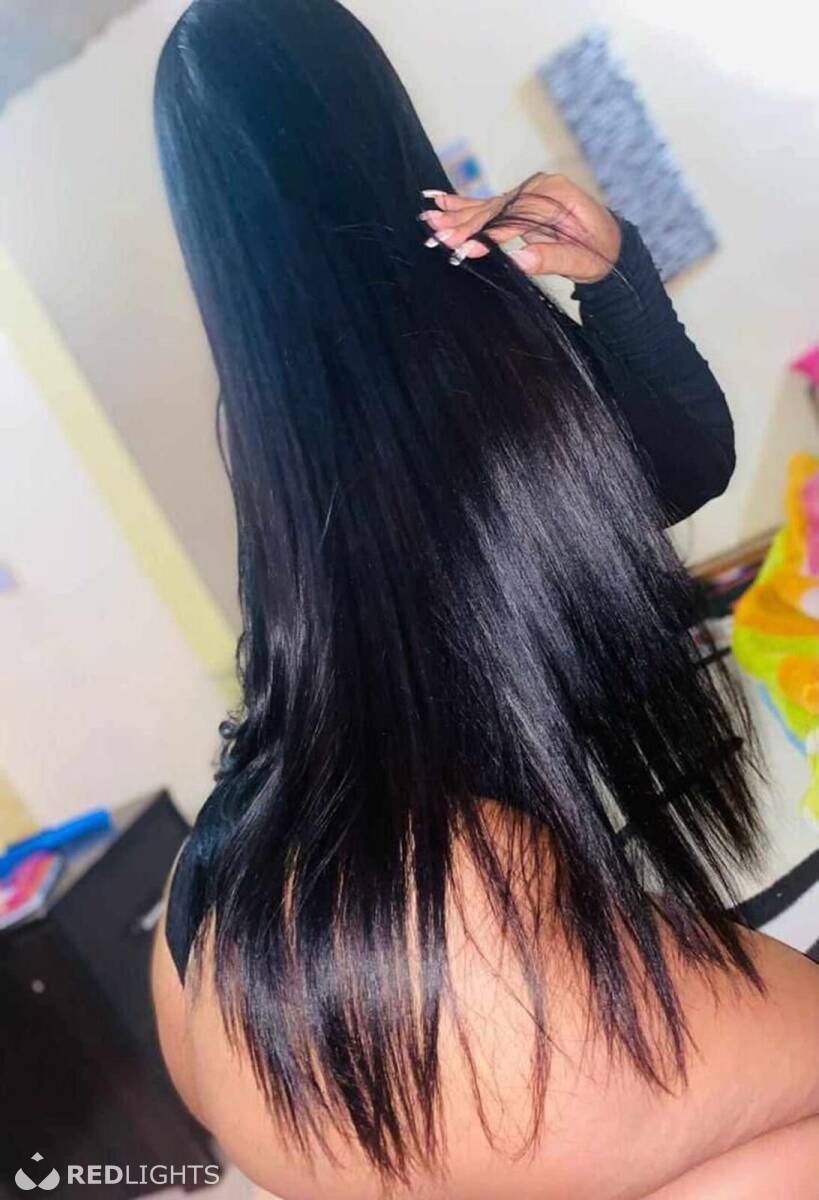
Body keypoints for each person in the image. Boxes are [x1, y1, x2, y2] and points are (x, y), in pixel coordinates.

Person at [150, 1, 819, 1196]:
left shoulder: (268, 439)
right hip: (423, 933)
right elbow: (675, 470)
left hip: (217, 933)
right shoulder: (461, 337)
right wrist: (619, 283)